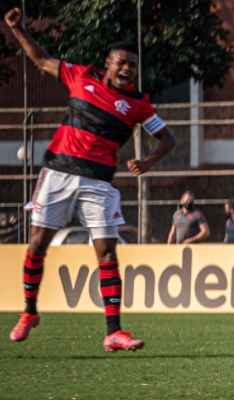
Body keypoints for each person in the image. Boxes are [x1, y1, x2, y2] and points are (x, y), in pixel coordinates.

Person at [5, 8, 176, 351]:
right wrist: (19, 29)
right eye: (122, 62)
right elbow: (41, 59)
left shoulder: (139, 104)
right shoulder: (80, 75)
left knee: (108, 254)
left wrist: (148, 160)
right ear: (107, 63)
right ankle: (29, 311)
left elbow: (168, 138)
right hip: (58, 173)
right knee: (37, 244)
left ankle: (114, 331)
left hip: (98, 182)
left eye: (132, 65)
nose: (127, 68)